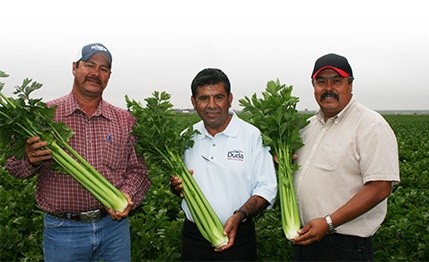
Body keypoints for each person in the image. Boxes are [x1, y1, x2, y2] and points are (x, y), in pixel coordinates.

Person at [5, 43, 151, 262]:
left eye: (103, 68)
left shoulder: (125, 120)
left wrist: (127, 196)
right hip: (63, 230)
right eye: (90, 65)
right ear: (75, 67)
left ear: (109, 75)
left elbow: (139, 171)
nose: (96, 73)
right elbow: (13, 167)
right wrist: (29, 159)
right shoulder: (43, 117)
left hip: (114, 229)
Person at [292, 53, 400, 261]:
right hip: (306, 239)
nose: (328, 88)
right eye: (321, 82)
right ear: (313, 86)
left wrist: (329, 222)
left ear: (350, 85)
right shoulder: (307, 128)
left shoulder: (370, 125)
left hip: (345, 246)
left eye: (337, 81)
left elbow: (380, 187)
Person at [169, 68, 277, 261]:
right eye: (203, 99)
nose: (212, 105)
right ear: (193, 102)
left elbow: (267, 189)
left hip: (240, 237)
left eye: (218, 97)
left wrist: (240, 215)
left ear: (230, 98)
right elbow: (180, 186)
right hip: (195, 238)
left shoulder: (251, 136)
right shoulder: (186, 137)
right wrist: (175, 187)